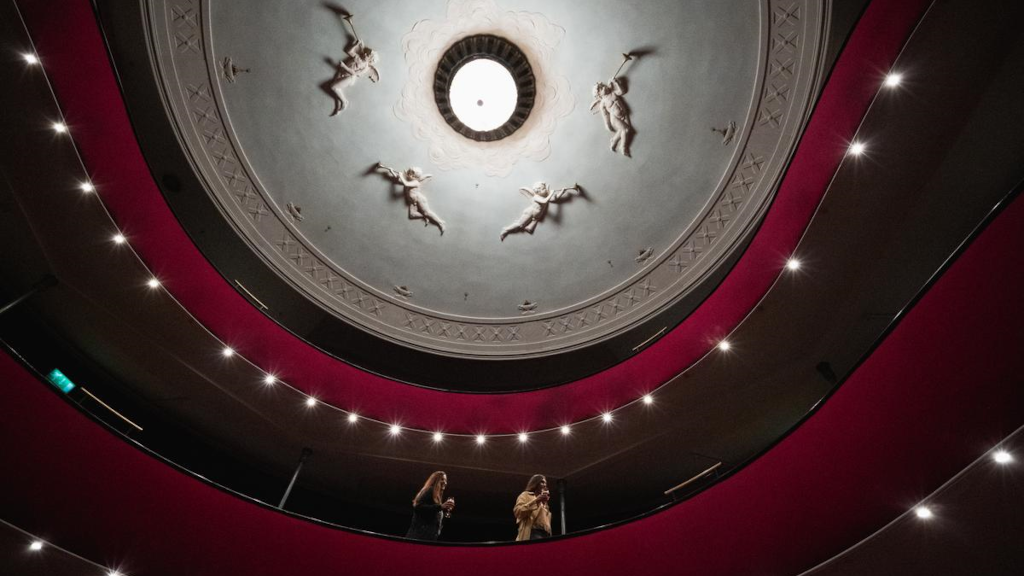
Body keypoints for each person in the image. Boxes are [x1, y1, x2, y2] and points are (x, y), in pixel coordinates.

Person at [376, 163, 447, 235]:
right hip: (412, 201)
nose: (408, 174)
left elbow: (405, 184)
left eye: (410, 173)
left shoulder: (415, 182)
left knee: (427, 212)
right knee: (412, 215)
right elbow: (399, 180)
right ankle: (425, 217)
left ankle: (440, 222)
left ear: (414, 177)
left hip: (419, 199)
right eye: (409, 172)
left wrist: (401, 176)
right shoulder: (408, 180)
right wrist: (392, 172)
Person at [590, 77, 633, 157]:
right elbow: (605, 115)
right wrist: (608, 125)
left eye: (603, 85)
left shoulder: (613, 93)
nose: (604, 87)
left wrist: (616, 82)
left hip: (624, 114)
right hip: (615, 118)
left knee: (623, 130)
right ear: (599, 95)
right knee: (626, 130)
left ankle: (614, 140)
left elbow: (622, 91)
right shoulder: (603, 103)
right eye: (601, 88)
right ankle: (623, 147)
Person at [406, 471, 455, 541]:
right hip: (419, 537)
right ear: (435, 480)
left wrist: (445, 514)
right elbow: (418, 507)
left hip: (428, 538)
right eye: (442, 479)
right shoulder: (430, 490)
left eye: (446, 480)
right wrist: (440, 507)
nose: (445, 482)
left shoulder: (437, 497)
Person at [513, 474, 552, 541]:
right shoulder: (525, 495)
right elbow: (518, 512)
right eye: (542, 482)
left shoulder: (544, 502)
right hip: (533, 532)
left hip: (546, 534)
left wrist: (543, 503)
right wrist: (536, 501)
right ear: (535, 483)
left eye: (545, 483)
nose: (545, 485)